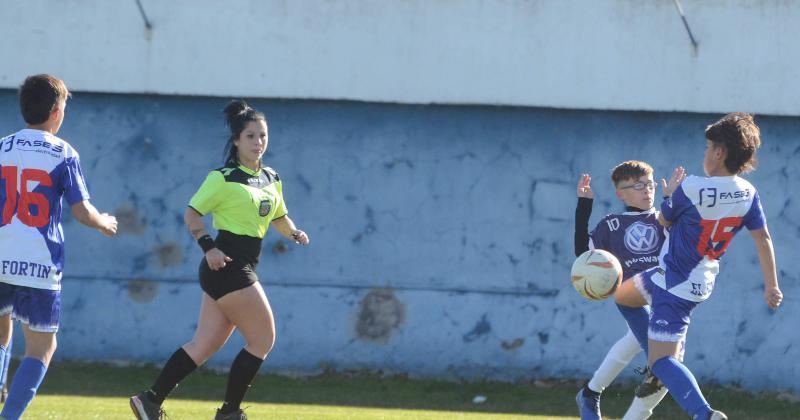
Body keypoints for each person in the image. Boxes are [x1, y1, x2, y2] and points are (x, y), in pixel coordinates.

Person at [130, 100, 310, 420]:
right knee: (263, 338)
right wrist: (208, 247)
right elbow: (192, 214)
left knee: (204, 345)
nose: (258, 142)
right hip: (226, 264)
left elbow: (279, 216)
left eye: (263, 136)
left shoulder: (271, 177)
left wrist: (294, 232)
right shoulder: (223, 177)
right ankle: (230, 413)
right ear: (237, 141)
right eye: (251, 136)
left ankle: (149, 400)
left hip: (241, 266)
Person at [615, 113, 783, 420]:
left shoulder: (692, 187)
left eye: (708, 148)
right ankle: (656, 355)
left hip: (674, 286)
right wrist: (772, 285)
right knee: (622, 295)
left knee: (664, 363)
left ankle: (704, 414)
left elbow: (663, 219)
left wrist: (670, 195)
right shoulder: (748, 192)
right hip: (688, 279)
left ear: (719, 153)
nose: (704, 154)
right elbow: (763, 237)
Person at [0, 74, 118, 420]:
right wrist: (104, 222)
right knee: (42, 346)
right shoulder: (64, 153)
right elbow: (82, 212)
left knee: (1, 332)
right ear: (56, 112)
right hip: (39, 263)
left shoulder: (2, 146)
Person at [574, 161, 669, 420]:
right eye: (637, 186)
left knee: (638, 347)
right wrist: (584, 205)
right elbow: (583, 254)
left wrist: (673, 200)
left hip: (664, 299)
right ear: (621, 193)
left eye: (649, 184)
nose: (646, 190)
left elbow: (682, 246)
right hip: (630, 297)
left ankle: (590, 393)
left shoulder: (664, 218)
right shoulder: (612, 223)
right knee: (663, 364)